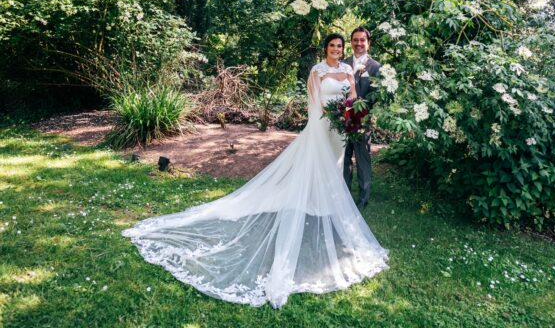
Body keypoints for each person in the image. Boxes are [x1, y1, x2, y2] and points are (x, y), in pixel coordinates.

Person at [122, 33, 388, 308]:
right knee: (317, 165)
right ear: (325, 49)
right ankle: (315, 201)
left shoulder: (347, 70)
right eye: (333, 46)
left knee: (333, 167)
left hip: (340, 130)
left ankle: (326, 203)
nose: (337, 49)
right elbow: (314, 102)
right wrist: (326, 120)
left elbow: (354, 97)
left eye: (339, 46)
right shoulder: (317, 71)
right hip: (322, 127)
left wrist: (349, 116)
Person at [342, 27, 381, 210]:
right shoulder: (343, 64)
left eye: (362, 40)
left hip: (363, 122)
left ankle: (363, 199)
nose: (359, 43)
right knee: (343, 158)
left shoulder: (376, 67)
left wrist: (365, 116)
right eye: (355, 40)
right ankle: (344, 195)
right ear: (351, 42)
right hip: (342, 120)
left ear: (368, 43)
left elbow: (377, 97)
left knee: (363, 159)